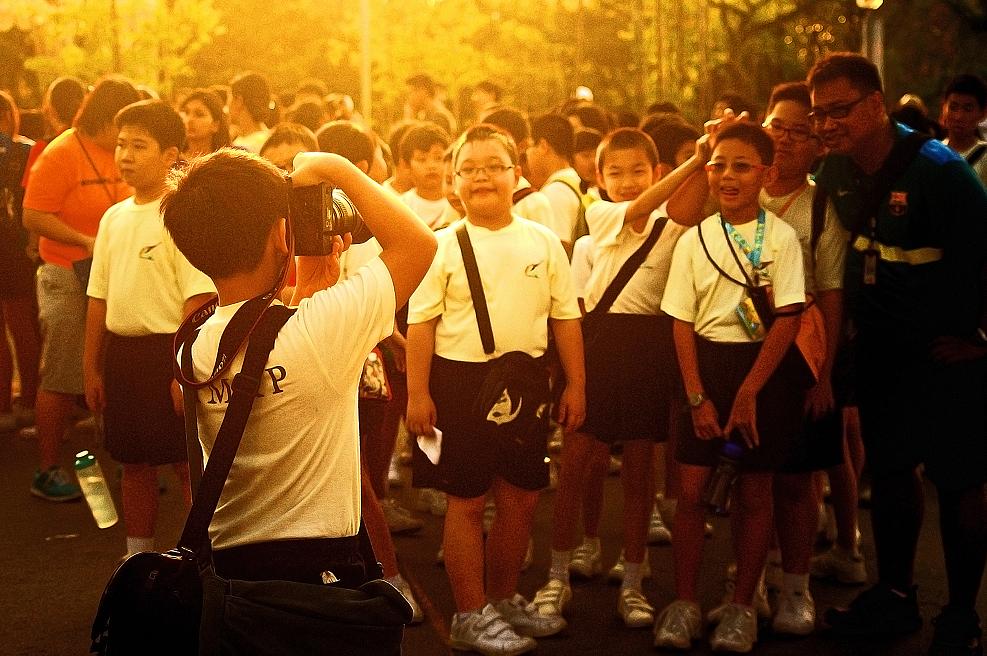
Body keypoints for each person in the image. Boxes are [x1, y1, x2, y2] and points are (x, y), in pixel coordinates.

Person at [161, 146, 436, 589]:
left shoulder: (192, 345)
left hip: (231, 571)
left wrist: (307, 291)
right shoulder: (322, 329)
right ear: (281, 235)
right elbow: (418, 244)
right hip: (318, 571)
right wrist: (335, 167)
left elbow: (263, 338)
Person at [808, 52, 987, 655]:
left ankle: (961, 614)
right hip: (882, 353)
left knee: (960, 482)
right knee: (889, 473)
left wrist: (979, 340)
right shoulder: (834, 170)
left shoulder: (941, 172)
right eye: (819, 114)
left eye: (840, 110)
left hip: (946, 356)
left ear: (876, 103)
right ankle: (894, 594)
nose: (828, 124)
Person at [406, 124, 585, 655]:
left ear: (517, 174)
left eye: (494, 165)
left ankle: (504, 599)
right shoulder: (440, 245)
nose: (481, 176)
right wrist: (418, 395)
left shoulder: (543, 241)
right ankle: (468, 613)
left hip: (528, 384)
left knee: (522, 498)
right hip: (458, 383)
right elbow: (421, 325)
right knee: (465, 502)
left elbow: (566, 319)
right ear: (454, 181)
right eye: (469, 168)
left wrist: (576, 383)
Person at [531, 127, 704, 630]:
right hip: (595, 355)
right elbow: (576, 315)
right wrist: (571, 379)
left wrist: (707, 157)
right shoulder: (597, 222)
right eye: (615, 173)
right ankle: (557, 576)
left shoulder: (674, 231)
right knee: (576, 467)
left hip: (647, 356)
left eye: (638, 172)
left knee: (638, 476)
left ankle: (633, 578)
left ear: (654, 172)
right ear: (598, 180)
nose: (627, 182)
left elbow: (692, 201)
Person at [657, 122, 809, 653]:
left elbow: (788, 317)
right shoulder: (695, 238)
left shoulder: (783, 238)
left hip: (763, 370)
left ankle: (742, 606)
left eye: (742, 166)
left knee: (754, 490)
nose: (727, 176)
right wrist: (697, 395)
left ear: (766, 174)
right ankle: (683, 603)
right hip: (704, 365)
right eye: (719, 164)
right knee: (693, 491)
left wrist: (749, 392)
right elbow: (679, 321)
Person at [82, 100, 215, 557]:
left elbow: (198, 299)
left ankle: (203, 558)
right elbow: (97, 297)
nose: (126, 155)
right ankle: (136, 557)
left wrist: (182, 369)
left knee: (184, 464)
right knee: (132, 463)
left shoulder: (180, 214)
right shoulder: (113, 218)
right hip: (123, 355)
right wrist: (90, 368)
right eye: (121, 144)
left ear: (171, 154)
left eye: (139, 145)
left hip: (169, 353)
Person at [758, 81, 850, 636]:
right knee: (750, 478)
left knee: (797, 479)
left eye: (800, 131)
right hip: (739, 350)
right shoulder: (735, 187)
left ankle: (796, 588)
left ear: (818, 144)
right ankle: (749, 582)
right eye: (778, 127)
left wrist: (826, 375)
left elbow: (834, 293)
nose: (787, 140)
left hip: (801, 354)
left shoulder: (821, 209)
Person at [22, 75, 140, 501]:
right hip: (66, 273)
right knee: (63, 371)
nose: (126, 141)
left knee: (112, 367)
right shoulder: (61, 152)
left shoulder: (123, 152)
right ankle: (48, 468)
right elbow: (33, 216)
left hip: (114, 273)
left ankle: (130, 464)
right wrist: (86, 239)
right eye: (121, 129)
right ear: (102, 119)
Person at [0, 91, 41, 433]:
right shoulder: (29, 150)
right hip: (18, 249)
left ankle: (5, 405)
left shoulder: (26, 151)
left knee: (14, 329)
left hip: (13, 249)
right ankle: (28, 401)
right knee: (23, 326)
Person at [525, 113, 584, 254]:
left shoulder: (555, 192)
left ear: (543, 145)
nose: (528, 154)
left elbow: (559, 248)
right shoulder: (575, 180)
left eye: (530, 147)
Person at [398, 122, 457, 230]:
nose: (431, 166)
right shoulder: (400, 208)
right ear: (407, 165)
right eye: (421, 159)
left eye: (438, 158)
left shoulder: (458, 203)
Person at [940, 74, 987, 188]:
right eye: (953, 107)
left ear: (983, 113)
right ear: (944, 108)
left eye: (968, 109)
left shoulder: (984, 156)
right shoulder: (933, 153)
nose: (959, 117)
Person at [179, 88, 231, 159]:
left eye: (199, 114)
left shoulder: (225, 163)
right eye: (186, 112)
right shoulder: (173, 160)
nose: (189, 119)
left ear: (215, 125)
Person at [229, 71, 272, 153]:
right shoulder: (269, 139)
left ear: (239, 101)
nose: (228, 106)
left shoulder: (245, 147)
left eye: (230, 99)